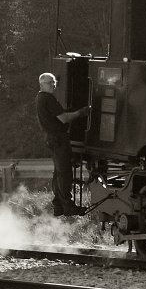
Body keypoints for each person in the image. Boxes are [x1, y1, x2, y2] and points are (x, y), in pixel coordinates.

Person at [36, 72, 90, 217]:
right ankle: (68, 206)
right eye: (50, 83)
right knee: (65, 172)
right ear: (42, 84)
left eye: (54, 82)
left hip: (52, 138)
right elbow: (64, 118)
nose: (53, 85)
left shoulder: (40, 98)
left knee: (58, 172)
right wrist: (80, 112)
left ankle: (58, 205)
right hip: (58, 138)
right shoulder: (48, 98)